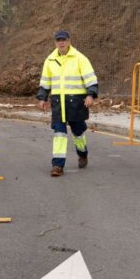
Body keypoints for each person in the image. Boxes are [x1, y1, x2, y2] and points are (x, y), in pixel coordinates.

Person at [36, 30, 98, 177]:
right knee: (59, 133)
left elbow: (91, 79)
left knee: (78, 132)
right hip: (58, 104)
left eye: (64, 40)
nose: (61, 42)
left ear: (69, 41)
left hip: (76, 102)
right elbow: (45, 82)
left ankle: (83, 154)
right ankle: (57, 165)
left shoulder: (80, 58)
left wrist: (90, 95)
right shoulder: (50, 60)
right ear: (55, 43)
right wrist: (42, 98)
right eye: (58, 40)